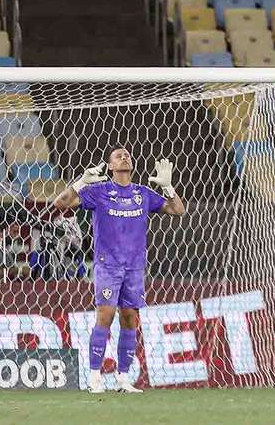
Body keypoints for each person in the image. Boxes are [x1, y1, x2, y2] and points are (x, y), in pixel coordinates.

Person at [53, 146, 186, 393]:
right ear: (110, 166)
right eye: (118, 155)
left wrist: (167, 187)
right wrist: (81, 181)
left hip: (135, 268)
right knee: (105, 315)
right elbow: (59, 203)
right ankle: (94, 378)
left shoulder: (142, 193)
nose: (124, 156)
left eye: (127, 154)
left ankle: (123, 379)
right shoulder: (99, 192)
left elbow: (178, 210)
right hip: (108, 265)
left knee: (130, 319)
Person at [29, 216, 87, 280]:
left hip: (70, 251)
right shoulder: (42, 252)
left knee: (77, 256)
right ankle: (33, 278)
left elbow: (77, 244)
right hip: (56, 250)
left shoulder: (73, 228)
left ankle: (73, 278)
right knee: (38, 253)